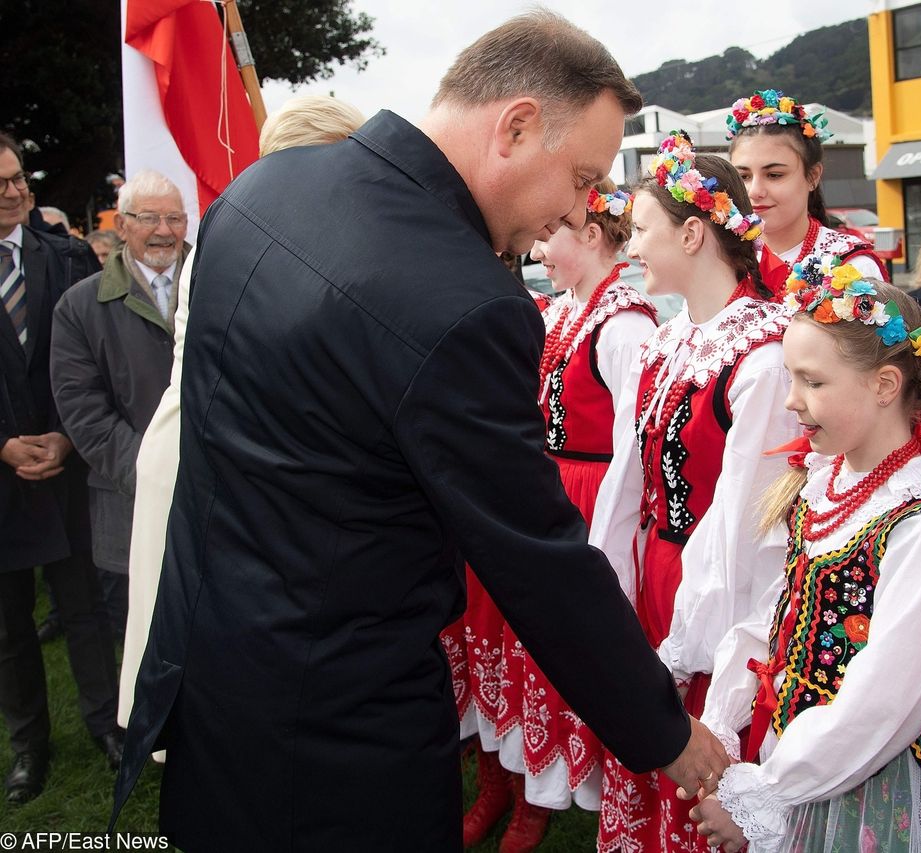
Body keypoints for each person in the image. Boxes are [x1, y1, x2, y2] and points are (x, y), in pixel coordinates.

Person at [112, 13, 728, 851]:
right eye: (582, 177)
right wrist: (671, 734)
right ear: (513, 127)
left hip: (216, 673)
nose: (578, 210)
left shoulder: (262, 191)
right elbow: (535, 556)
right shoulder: (464, 302)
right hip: (340, 730)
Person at [692, 264, 921, 853]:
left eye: (812, 382)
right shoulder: (821, 485)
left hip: (866, 776)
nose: (791, 401)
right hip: (790, 744)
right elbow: (774, 618)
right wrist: (723, 723)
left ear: (885, 385)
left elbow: (885, 696)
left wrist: (772, 791)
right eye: (790, 378)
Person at [116, 96, 366, 742]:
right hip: (200, 452)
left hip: (207, 444)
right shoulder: (261, 236)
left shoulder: (244, 225)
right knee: (200, 651)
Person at [590, 132, 796, 852]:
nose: (631, 246)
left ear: (692, 230)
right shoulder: (666, 340)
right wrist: (606, 579)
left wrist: (690, 643)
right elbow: (626, 479)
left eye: (640, 229)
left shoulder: (762, 356)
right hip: (657, 571)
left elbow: (747, 525)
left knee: (703, 756)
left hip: (721, 592)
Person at [462, 182, 659, 851]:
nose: (541, 250)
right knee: (500, 637)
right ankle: (502, 782)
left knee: (552, 648)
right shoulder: (561, 312)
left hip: (588, 494)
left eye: (553, 236)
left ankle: (536, 798)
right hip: (543, 484)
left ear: (596, 235)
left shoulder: (626, 326)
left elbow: (634, 443)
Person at [0, 131, 119, 802]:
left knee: (84, 607)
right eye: (2, 184)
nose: (16, 191)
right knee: (11, 626)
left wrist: (68, 437)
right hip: (3, 477)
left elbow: (96, 359)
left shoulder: (70, 257)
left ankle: (106, 722)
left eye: (20, 178)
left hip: (69, 467)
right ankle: (29, 745)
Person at [50, 171, 189, 644]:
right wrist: (157, 472)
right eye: (149, 217)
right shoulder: (79, 307)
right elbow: (83, 411)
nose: (164, 230)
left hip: (221, 503)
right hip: (129, 506)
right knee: (143, 646)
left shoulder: (227, 284)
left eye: (174, 217)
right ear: (122, 225)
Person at [726, 89, 886, 298]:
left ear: (812, 176)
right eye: (743, 176)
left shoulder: (850, 268)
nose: (755, 191)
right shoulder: (721, 258)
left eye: (774, 175)